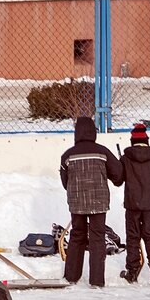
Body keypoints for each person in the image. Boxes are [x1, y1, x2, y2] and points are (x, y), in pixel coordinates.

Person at [60, 115, 123, 288]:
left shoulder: (67, 155)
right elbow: (118, 174)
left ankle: (71, 276)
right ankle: (96, 280)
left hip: (77, 201)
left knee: (77, 236)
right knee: (97, 238)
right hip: (99, 201)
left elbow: (65, 182)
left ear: (77, 133)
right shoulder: (102, 152)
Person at [119, 123, 150, 285]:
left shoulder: (126, 158)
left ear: (132, 141)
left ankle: (132, 271)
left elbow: (119, 180)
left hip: (132, 203)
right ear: (147, 140)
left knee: (133, 237)